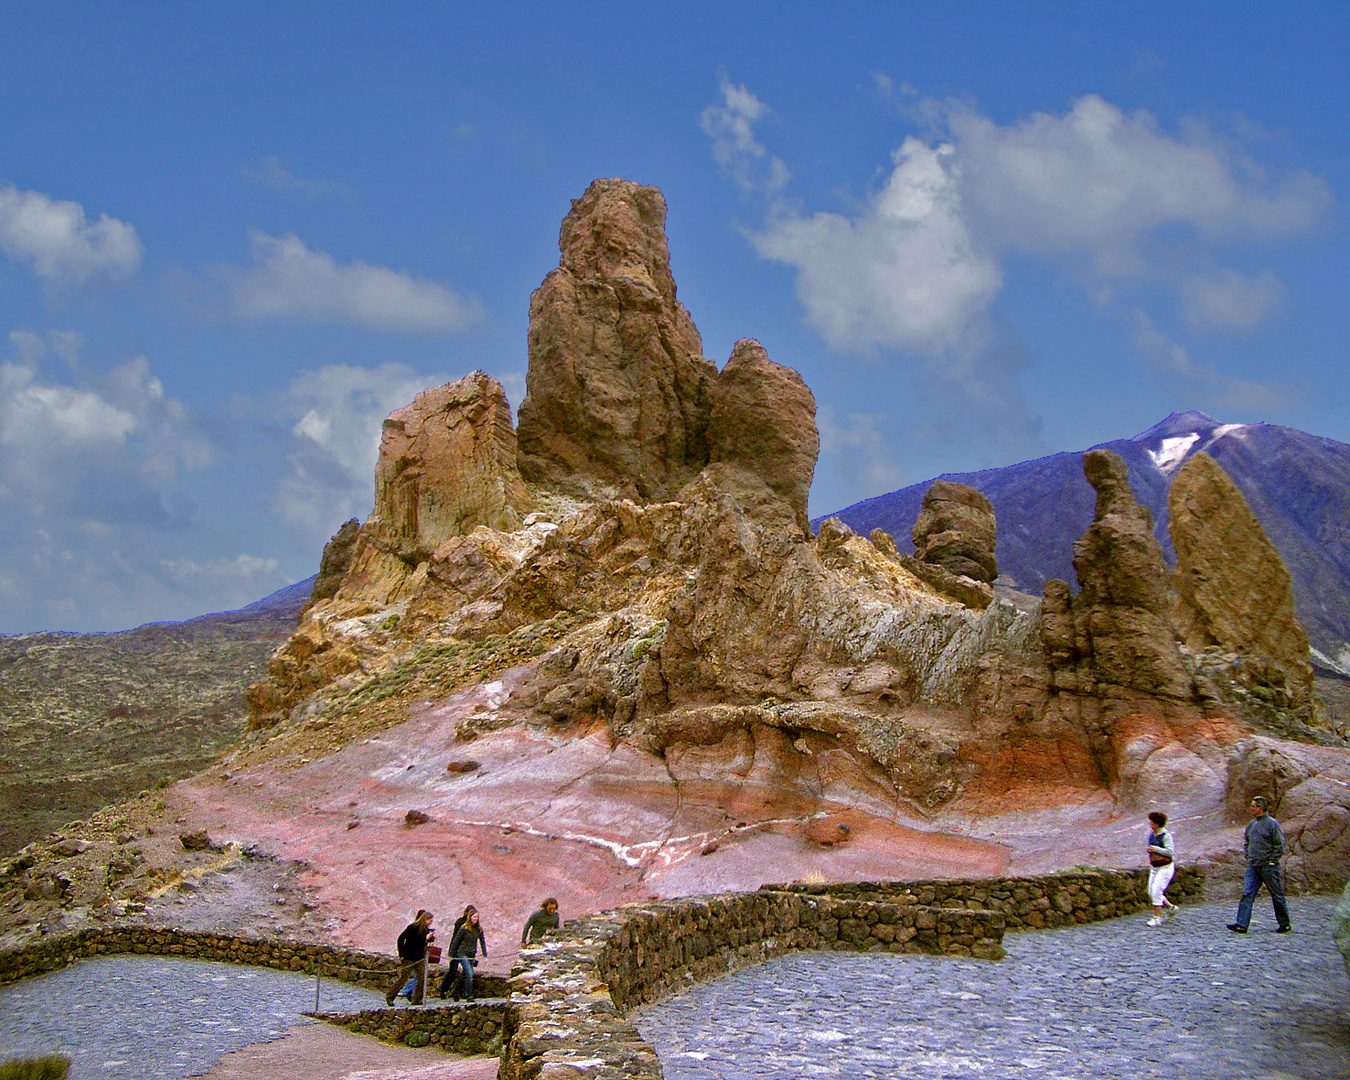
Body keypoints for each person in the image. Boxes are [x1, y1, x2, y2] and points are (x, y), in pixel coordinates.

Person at [1227, 796, 1292, 934]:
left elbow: (1279, 844)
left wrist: (1272, 860)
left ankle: (1284, 923)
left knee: (1276, 895)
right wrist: (1248, 855)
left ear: (1260, 808)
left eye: (1253, 806)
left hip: (1268, 866)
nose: (1251, 808)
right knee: (1247, 893)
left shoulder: (1272, 824)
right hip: (1254, 866)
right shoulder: (1252, 824)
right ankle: (1241, 924)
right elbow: (1247, 841)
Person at [386, 909, 434, 1007]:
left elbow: (422, 943)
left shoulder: (425, 929)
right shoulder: (413, 928)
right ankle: (390, 996)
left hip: (419, 957)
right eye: (430, 920)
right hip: (408, 957)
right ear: (425, 919)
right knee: (403, 978)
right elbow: (402, 939)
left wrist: (431, 938)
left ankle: (416, 999)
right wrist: (402, 954)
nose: (430, 923)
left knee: (422, 978)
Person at [439, 904, 488, 1001]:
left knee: (466, 973)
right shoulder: (463, 928)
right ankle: (469, 995)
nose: (475, 919)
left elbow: (482, 941)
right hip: (462, 953)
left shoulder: (479, 929)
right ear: (470, 918)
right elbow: (456, 941)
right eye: (474, 917)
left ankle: (456, 992)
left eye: (477, 917)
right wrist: (452, 954)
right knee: (469, 973)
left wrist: (484, 952)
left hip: (471, 953)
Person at [1145, 811, 1179, 926]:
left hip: (1165, 867)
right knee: (1151, 891)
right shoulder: (1152, 835)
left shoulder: (1166, 836)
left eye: (1152, 823)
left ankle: (1157, 917)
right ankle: (1170, 907)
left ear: (1158, 824)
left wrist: (1156, 849)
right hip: (1155, 867)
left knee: (1156, 890)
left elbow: (1170, 852)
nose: (1150, 825)